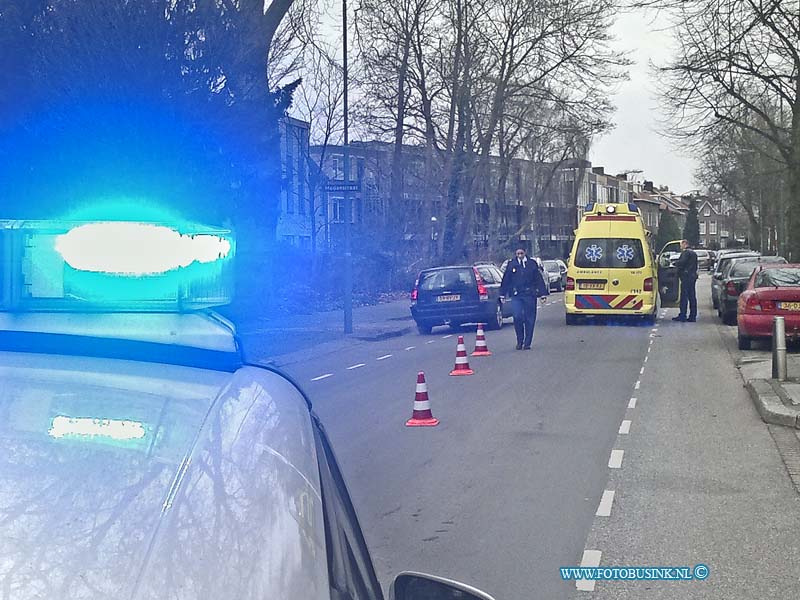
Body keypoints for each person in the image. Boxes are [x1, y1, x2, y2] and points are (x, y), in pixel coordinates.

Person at [499, 247, 549, 349]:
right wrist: (502, 294)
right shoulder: (511, 264)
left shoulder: (532, 264)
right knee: (517, 316)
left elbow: (538, 279)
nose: (519, 255)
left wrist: (542, 294)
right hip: (516, 295)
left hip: (529, 295)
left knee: (529, 319)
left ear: (525, 253)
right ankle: (519, 341)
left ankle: (527, 343)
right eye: (517, 253)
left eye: (521, 253)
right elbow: (506, 280)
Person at [672, 239, 698, 322]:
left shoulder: (686, 252)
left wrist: (674, 263)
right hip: (692, 276)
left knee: (684, 297)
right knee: (692, 296)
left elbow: (682, 262)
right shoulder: (693, 253)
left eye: (681, 245)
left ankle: (683, 315)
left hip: (686, 277)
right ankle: (693, 316)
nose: (680, 247)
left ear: (685, 244)